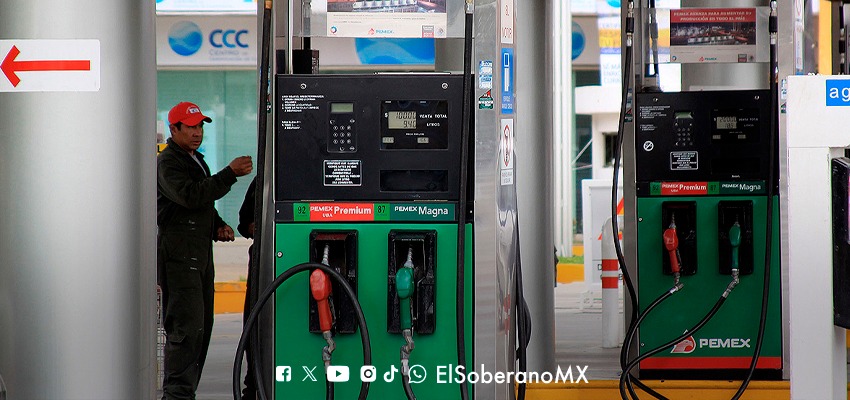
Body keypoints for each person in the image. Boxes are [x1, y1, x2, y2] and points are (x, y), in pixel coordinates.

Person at [157, 101, 253, 400]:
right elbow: (189, 195)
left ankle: (186, 393)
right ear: (174, 129)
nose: (197, 132)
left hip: (198, 255)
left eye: (200, 126)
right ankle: (177, 395)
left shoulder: (195, 159)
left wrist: (217, 226)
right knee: (186, 331)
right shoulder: (168, 162)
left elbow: (202, 204)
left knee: (201, 329)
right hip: (179, 257)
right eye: (190, 127)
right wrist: (229, 173)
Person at [237, 176, 259, 399]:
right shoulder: (265, 180)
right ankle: (253, 386)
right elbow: (244, 222)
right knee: (255, 322)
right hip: (264, 259)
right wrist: (252, 227)